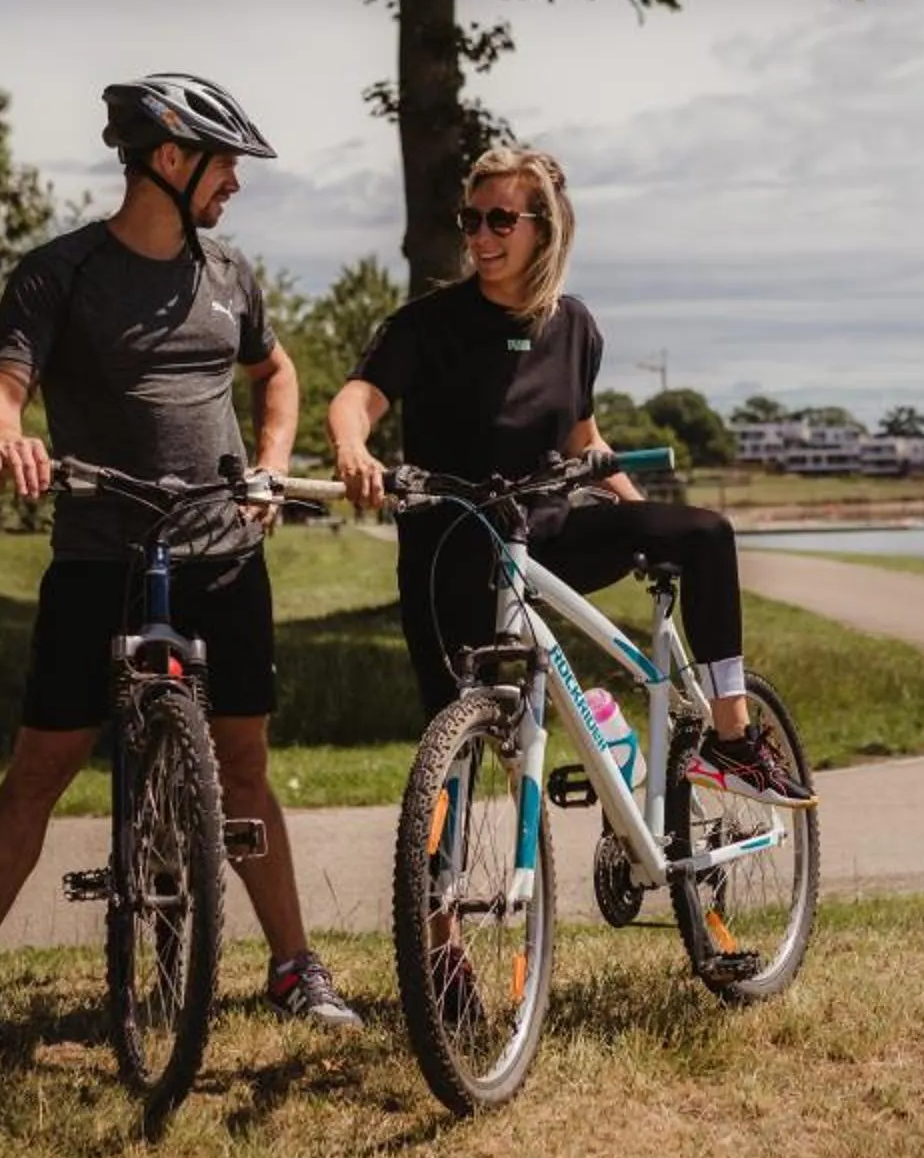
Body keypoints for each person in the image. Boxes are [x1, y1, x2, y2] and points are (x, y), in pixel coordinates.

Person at [0, 72, 361, 1052]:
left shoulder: (232, 273)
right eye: (225, 162)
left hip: (223, 555)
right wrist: (3, 440)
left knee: (244, 768)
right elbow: (0, 390)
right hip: (99, 553)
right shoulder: (58, 273)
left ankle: (294, 964)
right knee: (40, 769)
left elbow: (273, 368)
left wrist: (272, 465)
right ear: (169, 158)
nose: (234, 181)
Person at [326, 144, 808, 804]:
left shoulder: (573, 325)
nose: (482, 236)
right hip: (451, 558)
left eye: (502, 220)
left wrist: (641, 517)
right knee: (452, 751)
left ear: (543, 229)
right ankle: (437, 910)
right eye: (472, 220)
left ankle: (732, 740)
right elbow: (358, 398)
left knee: (704, 534)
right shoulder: (425, 325)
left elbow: (583, 435)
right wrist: (354, 449)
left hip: (548, 542)